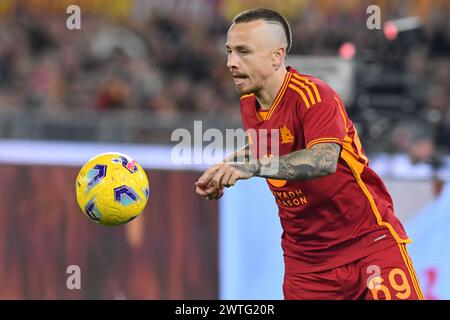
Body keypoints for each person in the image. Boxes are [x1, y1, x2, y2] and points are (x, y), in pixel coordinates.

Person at [195, 8, 424, 300]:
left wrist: (251, 168)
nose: (231, 63)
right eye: (229, 52)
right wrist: (226, 167)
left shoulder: (315, 95)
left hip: (367, 247)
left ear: (277, 56)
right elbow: (267, 144)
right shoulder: (249, 103)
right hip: (306, 266)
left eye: (243, 52)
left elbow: (323, 159)